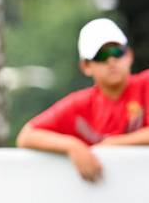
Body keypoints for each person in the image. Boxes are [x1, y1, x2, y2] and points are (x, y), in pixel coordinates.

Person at [17, 18, 149, 182]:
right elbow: (27, 136)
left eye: (117, 52)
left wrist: (113, 144)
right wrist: (73, 146)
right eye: (101, 56)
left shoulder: (146, 84)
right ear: (86, 66)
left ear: (129, 55)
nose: (111, 61)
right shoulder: (79, 104)